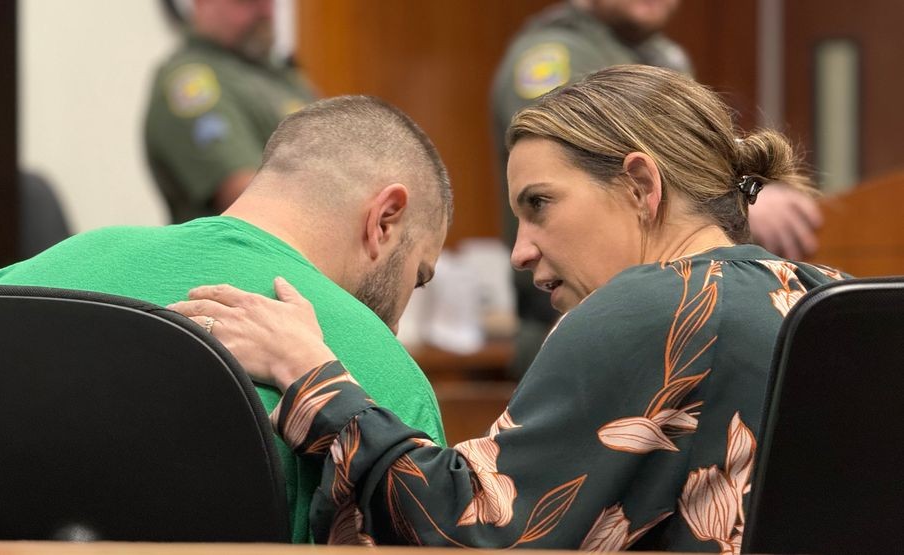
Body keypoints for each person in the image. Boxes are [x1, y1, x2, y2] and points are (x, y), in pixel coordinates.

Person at [171, 66, 848, 550]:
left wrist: (313, 377)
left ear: (641, 186)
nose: (520, 251)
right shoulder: (825, 296)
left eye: (539, 204)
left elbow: (473, 528)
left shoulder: (652, 304)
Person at [0, 96, 453, 543]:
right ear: (385, 218)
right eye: (419, 277)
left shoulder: (11, 285)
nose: (395, 325)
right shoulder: (378, 382)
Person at [491, 0, 822, 375]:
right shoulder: (555, 55)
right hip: (570, 321)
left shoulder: (665, 56)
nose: (521, 253)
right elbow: (560, 157)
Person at [145, 0, 316, 223]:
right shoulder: (193, 83)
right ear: (201, 4)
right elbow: (252, 199)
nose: (265, 11)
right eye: (248, 1)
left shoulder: (278, 75)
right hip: (255, 242)